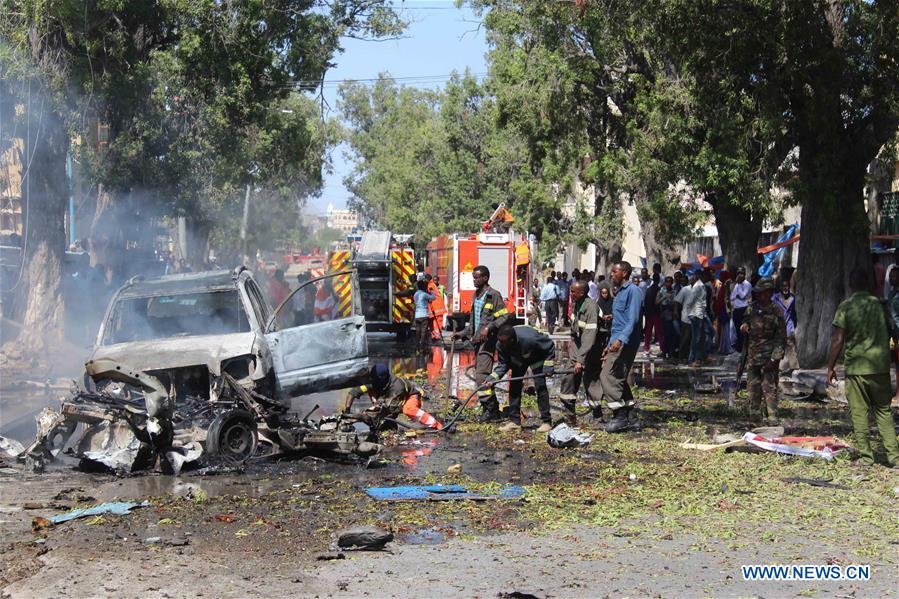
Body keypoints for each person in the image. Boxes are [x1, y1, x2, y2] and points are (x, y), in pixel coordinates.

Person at [827, 266, 899, 468]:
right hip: (880, 366)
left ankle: (866, 457)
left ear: (850, 285)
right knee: (883, 411)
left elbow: (838, 339)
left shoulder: (846, 306)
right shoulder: (880, 305)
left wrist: (830, 367)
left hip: (857, 367)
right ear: (867, 284)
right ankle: (894, 457)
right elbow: (893, 331)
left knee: (859, 412)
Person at [454, 265, 511, 421]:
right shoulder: (476, 296)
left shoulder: (494, 295)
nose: (474, 280)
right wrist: (462, 334)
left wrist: (489, 327)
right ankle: (490, 409)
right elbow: (474, 323)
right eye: (473, 277)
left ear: (485, 278)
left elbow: (504, 317)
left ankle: (491, 409)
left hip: (488, 342)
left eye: (477, 277)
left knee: (482, 376)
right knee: (481, 376)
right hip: (477, 342)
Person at [486, 324, 556, 433]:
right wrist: (492, 378)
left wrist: (548, 365)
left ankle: (546, 422)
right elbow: (503, 364)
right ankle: (515, 422)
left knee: (540, 386)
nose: (503, 345)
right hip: (519, 359)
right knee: (514, 386)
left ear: (513, 340)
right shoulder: (500, 344)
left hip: (536, 355)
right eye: (501, 342)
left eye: (506, 343)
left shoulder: (530, 338)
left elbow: (550, 345)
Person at [601, 261, 643, 433]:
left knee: (607, 376)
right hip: (617, 340)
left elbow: (632, 319)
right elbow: (622, 320)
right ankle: (631, 418)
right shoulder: (620, 292)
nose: (612, 275)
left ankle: (619, 416)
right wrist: (611, 341)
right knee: (618, 376)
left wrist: (620, 340)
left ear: (624, 273)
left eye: (615, 272)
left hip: (625, 343)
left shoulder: (633, 291)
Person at [740, 278, 786, 423]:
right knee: (753, 390)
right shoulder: (751, 308)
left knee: (769, 390)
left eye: (763, 293)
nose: (760, 296)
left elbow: (781, 339)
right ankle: (755, 419)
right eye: (758, 293)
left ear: (770, 293)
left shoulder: (776, 311)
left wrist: (774, 359)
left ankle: (772, 419)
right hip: (753, 357)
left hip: (769, 359)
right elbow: (744, 321)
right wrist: (744, 326)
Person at [345, 364, 442, 430]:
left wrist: (363, 415)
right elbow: (353, 392)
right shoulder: (374, 382)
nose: (372, 382)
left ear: (381, 379)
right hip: (389, 399)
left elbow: (389, 408)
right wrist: (347, 410)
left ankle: (437, 425)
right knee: (372, 393)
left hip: (410, 396)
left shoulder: (396, 387)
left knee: (408, 409)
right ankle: (383, 423)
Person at [560, 281, 602, 424]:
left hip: (592, 348)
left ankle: (597, 415)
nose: (570, 294)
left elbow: (589, 336)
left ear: (582, 293)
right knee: (569, 376)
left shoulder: (591, 307)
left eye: (573, 292)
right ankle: (569, 413)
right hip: (578, 346)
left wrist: (580, 360)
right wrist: (574, 353)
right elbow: (575, 330)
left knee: (590, 380)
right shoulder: (577, 304)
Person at [772, 277, 797, 370]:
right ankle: (778, 367)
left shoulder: (793, 298)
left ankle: (794, 367)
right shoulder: (775, 298)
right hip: (778, 326)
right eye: (783, 286)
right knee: (778, 346)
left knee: (790, 345)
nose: (785, 288)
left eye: (786, 286)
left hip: (789, 326)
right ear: (780, 288)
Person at [684, 270, 708, 365]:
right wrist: (691, 313)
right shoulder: (698, 287)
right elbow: (689, 301)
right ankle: (692, 359)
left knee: (700, 336)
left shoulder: (700, 286)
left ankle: (698, 357)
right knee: (696, 338)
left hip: (699, 314)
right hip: (696, 315)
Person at [656, 275, 678, 360]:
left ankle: (671, 351)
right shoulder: (661, 291)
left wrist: (675, 311)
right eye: (667, 281)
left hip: (672, 313)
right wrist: (664, 297)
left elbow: (676, 302)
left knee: (673, 334)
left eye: (670, 282)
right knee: (666, 334)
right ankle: (664, 351)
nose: (668, 283)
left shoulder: (674, 292)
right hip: (664, 313)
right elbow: (656, 302)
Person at [731, 267, 752, 352]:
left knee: (743, 330)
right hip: (736, 309)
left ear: (745, 274)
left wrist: (738, 294)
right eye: (738, 273)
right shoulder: (737, 284)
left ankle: (744, 348)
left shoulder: (747, 284)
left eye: (742, 273)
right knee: (737, 329)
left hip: (744, 309)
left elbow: (743, 296)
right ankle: (739, 348)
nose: (740, 275)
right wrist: (738, 294)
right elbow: (732, 297)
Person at [642, 273, 662, 356]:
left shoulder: (649, 289)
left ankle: (646, 348)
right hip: (657, 313)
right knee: (659, 331)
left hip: (649, 313)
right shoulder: (660, 289)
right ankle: (662, 348)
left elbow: (646, 301)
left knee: (648, 332)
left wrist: (646, 312)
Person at [413, 279, 436, 352]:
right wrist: (431, 291)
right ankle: (422, 348)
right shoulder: (424, 294)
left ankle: (417, 348)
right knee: (423, 332)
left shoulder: (416, 294)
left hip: (417, 316)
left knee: (417, 332)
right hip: (424, 315)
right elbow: (433, 298)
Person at [426, 275, 447, 342]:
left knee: (437, 322)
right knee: (432, 322)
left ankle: (437, 337)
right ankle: (434, 336)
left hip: (437, 308)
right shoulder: (431, 285)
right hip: (435, 308)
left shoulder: (430, 285)